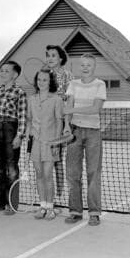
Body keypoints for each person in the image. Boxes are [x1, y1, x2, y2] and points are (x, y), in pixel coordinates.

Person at [63, 54, 106, 226]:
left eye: (89, 65)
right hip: (74, 131)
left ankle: (94, 213)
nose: (85, 67)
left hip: (93, 132)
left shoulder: (100, 84)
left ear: (93, 67)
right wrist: (66, 125)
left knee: (93, 173)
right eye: (83, 65)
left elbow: (96, 108)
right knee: (73, 173)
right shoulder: (73, 84)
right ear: (79, 67)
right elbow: (68, 109)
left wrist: (73, 109)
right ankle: (75, 211)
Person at [0, 61, 27, 215]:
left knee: (11, 169)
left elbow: (22, 116)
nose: (2, 73)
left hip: (11, 130)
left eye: (6, 71)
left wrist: (19, 135)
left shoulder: (19, 92)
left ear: (15, 75)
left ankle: (11, 204)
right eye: (1, 71)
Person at [27, 68, 63, 220]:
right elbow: (29, 119)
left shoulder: (57, 100)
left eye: (45, 80)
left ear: (50, 82)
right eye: (39, 79)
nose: (41, 82)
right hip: (36, 142)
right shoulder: (31, 99)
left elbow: (59, 122)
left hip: (50, 143)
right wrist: (30, 132)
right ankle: (42, 206)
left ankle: (51, 207)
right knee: (39, 174)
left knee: (48, 174)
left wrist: (56, 144)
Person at [45, 44, 74, 197]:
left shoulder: (67, 75)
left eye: (53, 55)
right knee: (46, 158)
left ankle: (60, 194)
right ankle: (49, 194)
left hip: (60, 121)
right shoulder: (45, 75)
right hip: (45, 122)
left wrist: (67, 124)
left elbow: (70, 101)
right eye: (48, 55)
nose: (50, 58)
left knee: (57, 157)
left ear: (61, 58)